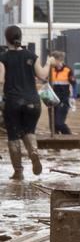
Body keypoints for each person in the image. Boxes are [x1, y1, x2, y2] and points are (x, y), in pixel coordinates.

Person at [0, 27, 47, 178]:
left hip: (13, 102)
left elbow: (1, 80)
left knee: (13, 135)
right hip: (33, 102)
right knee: (29, 131)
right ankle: (33, 152)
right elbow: (42, 75)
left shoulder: (3, 58)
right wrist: (50, 62)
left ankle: (18, 172)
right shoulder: (32, 56)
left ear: (6, 39)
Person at [47, 52, 73, 135]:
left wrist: (74, 97)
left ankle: (69, 137)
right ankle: (56, 145)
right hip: (52, 100)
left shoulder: (68, 70)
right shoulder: (50, 70)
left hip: (63, 100)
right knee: (53, 126)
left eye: (52, 60)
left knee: (59, 123)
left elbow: (74, 85)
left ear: (58, 60)